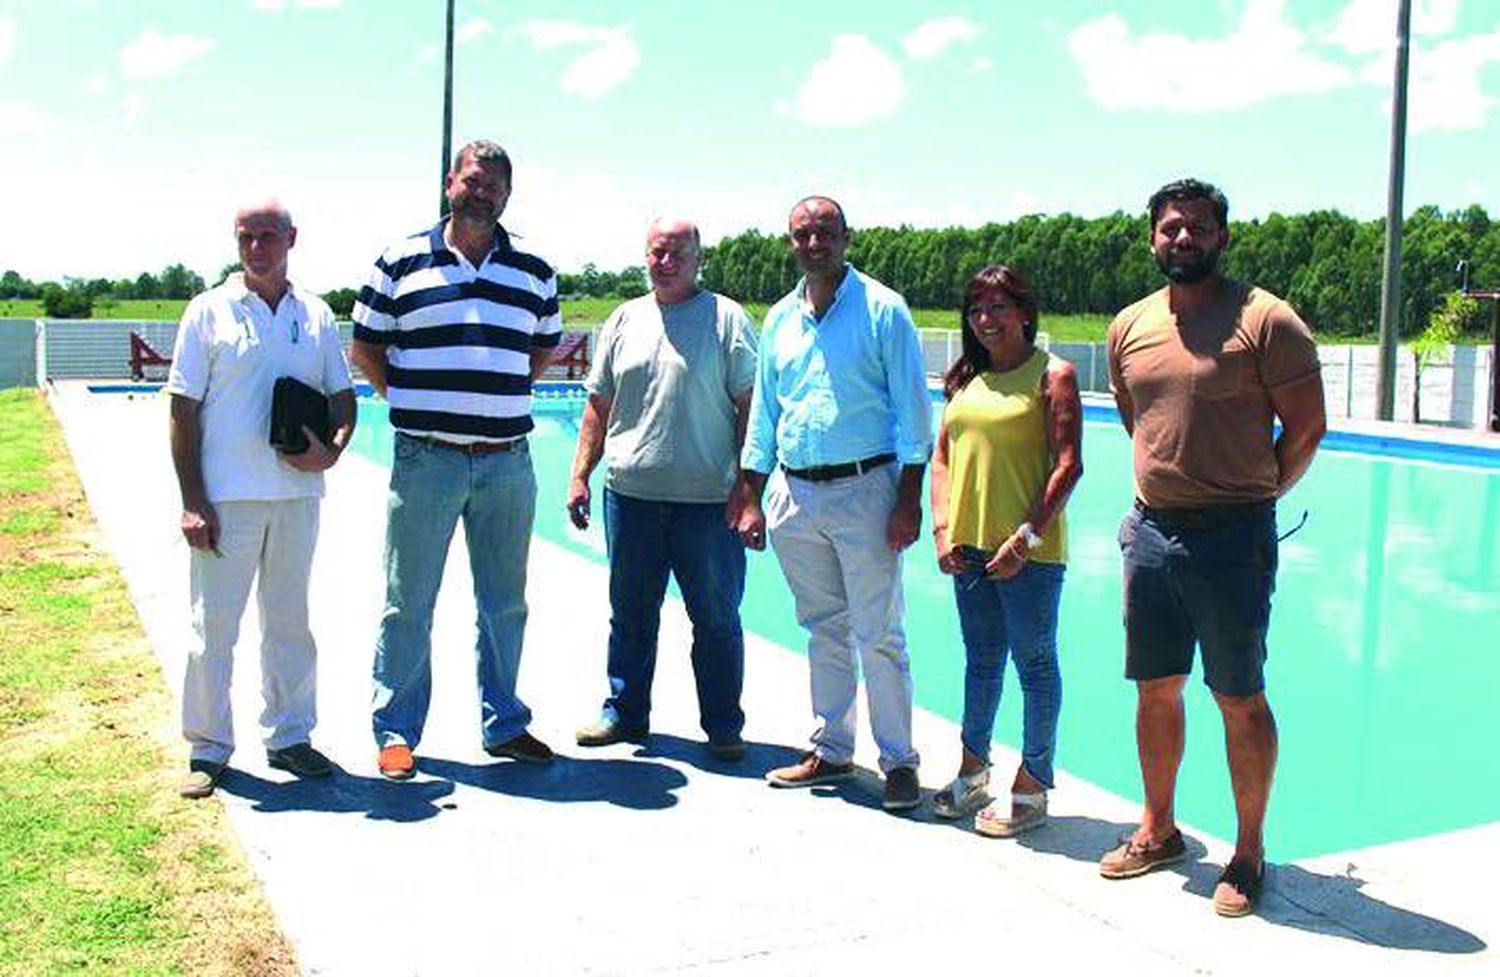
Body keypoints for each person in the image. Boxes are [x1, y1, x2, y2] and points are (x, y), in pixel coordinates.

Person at [1100, 179, 1325, 916]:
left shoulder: (1267, 320)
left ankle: (1248, 850)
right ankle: (1159, 828)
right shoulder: (1130, 324)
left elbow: (1306, 429)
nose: (1183, 238)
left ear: (1222, 236)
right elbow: (1140, 417)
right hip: (1152, 534)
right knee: (1155, 687)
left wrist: (1255, 496)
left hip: (1233, 538)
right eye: (1170, 227)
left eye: (1197, 226)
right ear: (1153, 238)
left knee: (1238, 694)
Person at [350, 139, 561, 780]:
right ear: (450, 183)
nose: (483, 192)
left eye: (495, 184)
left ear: (508, 194)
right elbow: (366, 348)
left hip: (506, 462)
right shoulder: (400, 261)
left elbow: (540, 353)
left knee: (505, 602)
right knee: (407, 601)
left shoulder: (534, 271)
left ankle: (505, 723)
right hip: (427, 462)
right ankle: (395, 730)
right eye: (473, 180)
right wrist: (414, 405)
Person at [738, 196, 932, 811]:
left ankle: (899, 761)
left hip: (866, 489)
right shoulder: (779, 320)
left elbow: (913, 413)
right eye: (803, 234)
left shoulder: (883, 310)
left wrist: (908, 499)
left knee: (879, 633)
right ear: (790, 243)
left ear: (847, 237)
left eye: (826, 231)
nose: (814, 242)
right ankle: (832, 748)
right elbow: (767, 413)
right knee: (823, 628)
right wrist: (751, 491)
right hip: (795, 492)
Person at [166, 200, 356, 799]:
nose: (256, 248)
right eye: (245, 237)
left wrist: (334, 450)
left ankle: (290, 736)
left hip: (299, 496)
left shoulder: (317, 315)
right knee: (213, 627)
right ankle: (209, 747)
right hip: (227, 500)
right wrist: (193, 499)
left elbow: (342, 397)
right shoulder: (208, 312)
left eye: (267, 236)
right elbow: (182, 410)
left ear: (291, 239)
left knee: (291, 623)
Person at [566, 217, 758, 760]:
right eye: (656, 252)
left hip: (707, 505)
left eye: (677, 252)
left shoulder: (726, 319)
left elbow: (750, 409)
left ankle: (722, 723)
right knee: (629, 613)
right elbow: (598, 405)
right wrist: (580, 474)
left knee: (716, 619)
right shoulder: (624, 318)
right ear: (644, 257)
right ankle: (625, 713)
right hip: (630, 498)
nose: (665, 261)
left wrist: (747, 490)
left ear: (699, 258)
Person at [929, 265, 1081, 836]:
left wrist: (1027, 537)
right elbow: (943, 458)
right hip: (968, 548)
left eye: (998, 307)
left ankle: (1034, 782)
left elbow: (1069, 465)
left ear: (1024, 312)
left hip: (1029, 554)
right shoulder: (965, 379)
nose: (986, 320)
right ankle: (973, 771)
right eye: (976, 310)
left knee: (1035, 664)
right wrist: (943, 529)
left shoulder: (1053, 374)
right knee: (981, 661)